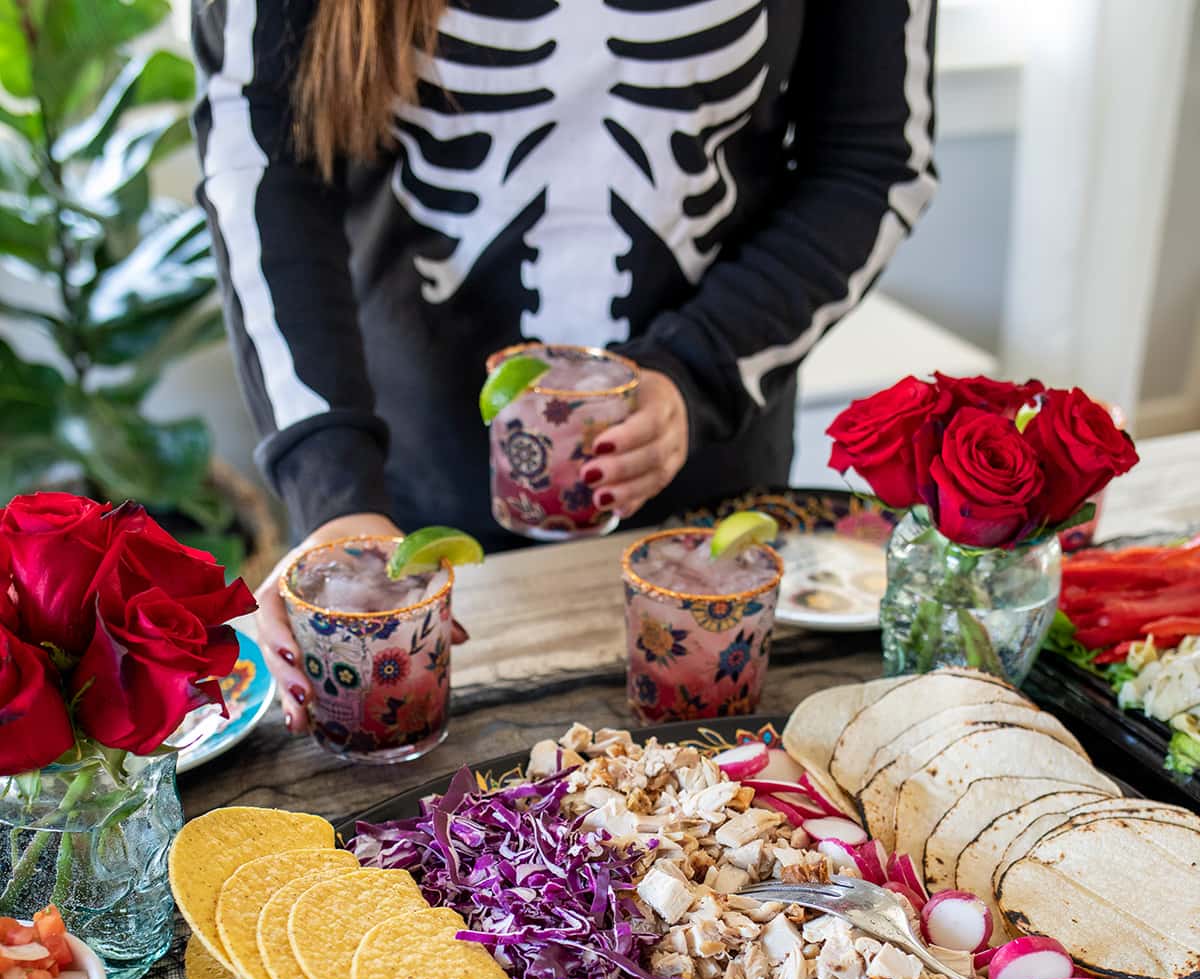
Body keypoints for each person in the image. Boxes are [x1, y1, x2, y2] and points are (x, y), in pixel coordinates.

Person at [192, 0, 937, 729]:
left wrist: (698, 369)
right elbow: (259, 158)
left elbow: (873, 158)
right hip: (402, 501)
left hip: (708, 521)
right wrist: (333, 488)